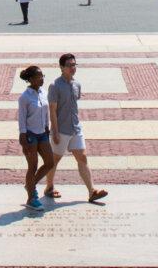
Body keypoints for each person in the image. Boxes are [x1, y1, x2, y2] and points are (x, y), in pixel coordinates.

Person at [46, 53, 108, 203]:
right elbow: (52, 110)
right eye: (69, 65)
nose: (73, 68)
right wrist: (54, 131)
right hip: (61, 130)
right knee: (55, 160)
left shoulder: (77, 84)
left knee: (82, 157)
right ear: (61, 67)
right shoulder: (55, 86)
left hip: (75, 128)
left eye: (74, 65)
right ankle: (49, 187)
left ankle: (92, 191)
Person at [17, 65, 54, 210]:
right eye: (38, 76)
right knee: (32, 166)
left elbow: (46, 112)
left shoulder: (43, 93)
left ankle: (30, 185)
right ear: (31, 79)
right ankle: (31, 198)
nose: (41, 78)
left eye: (42, 76)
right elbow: (21, 118)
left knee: (49, 162)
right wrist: (23, 135)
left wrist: (47, 127)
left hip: (42, 134)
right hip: (30, 135)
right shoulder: (24, 97)